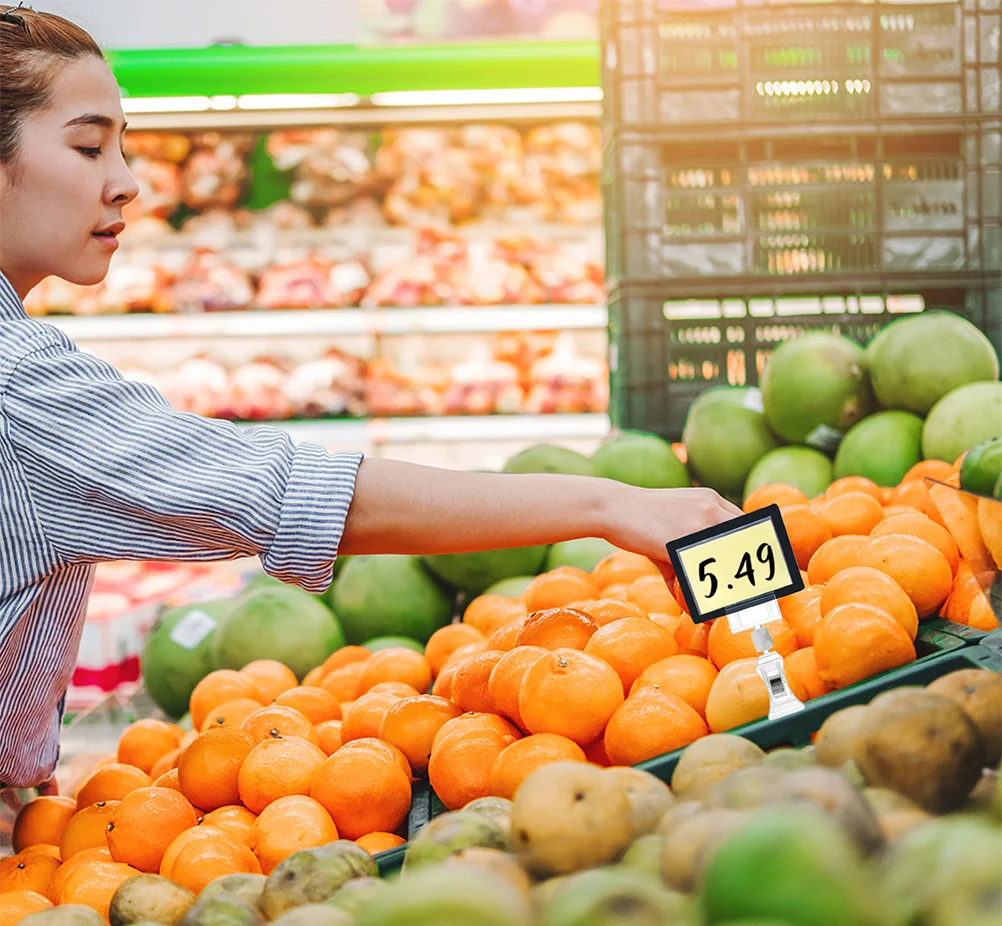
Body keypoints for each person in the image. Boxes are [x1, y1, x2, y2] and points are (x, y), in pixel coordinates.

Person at [0, 5, 740, 792]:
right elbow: (292, 499)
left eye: (124, 146)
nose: (128, 183)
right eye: (88, 146)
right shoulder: (20, 382)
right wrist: (609, 505)